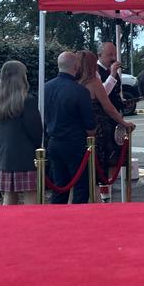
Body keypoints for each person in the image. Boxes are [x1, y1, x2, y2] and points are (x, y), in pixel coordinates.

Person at [44, 52, 96, 204]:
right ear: (76, 66)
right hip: (75, 144)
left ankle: (57, 219)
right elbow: (89, 124)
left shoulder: (46, 88)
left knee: (59, 187)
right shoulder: (80, 91)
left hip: (53, 142)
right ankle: (78, 220)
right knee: (81, 187)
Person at [77, 51, 135, 180]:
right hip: (98, 128)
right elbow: (108, 106)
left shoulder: (75, 83)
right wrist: (123, 123)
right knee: (101, 168)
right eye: (110, 54)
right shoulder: (94, 82)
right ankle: (102, 194)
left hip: (79, 130)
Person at [0, 60, 42, 205]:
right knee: (31, 195)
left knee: (9, 196)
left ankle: (7, 226)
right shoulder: (27, 101)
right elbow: (35, 131)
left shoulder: (0, 103)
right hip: (26, 156)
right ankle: (32, 226)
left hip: (6, 156)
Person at [97, 42, 123, 111]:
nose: (114, 58)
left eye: (115, 54)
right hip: (104, 115)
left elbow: (116, 91)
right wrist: (112, 74)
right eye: (110, 55)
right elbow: (102, 94)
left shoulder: (111, 70)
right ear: (99, 55)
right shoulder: (95, 71)